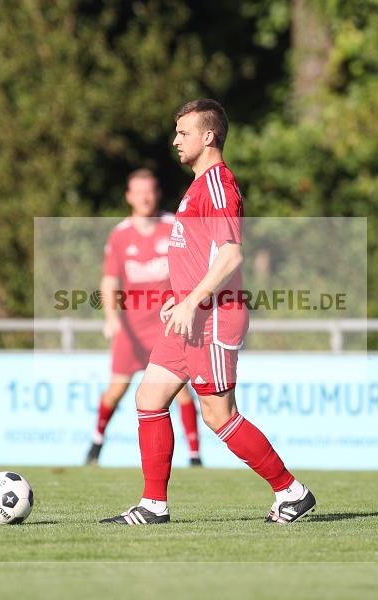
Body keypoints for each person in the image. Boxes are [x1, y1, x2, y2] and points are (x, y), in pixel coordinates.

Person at [101, 99, 315, 525]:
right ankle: (153, 506)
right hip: (189, 317)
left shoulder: (219, 184)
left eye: (184, 133)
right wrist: (178, 297)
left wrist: (192, 299)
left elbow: (231, 255)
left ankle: (292, 492)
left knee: (219, 415)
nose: (175, 141)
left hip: (214, 317)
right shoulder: (198, 187)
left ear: (208, 136)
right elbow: (200, 255)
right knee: (149, 397)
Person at [86, 169, 202, 467]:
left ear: (157, 193)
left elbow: (193, 268)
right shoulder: (120, 234)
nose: (145, 197)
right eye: (139, 192)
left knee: (180, 391)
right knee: (116, 390)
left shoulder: (173, 227)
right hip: (131, 329)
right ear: (129, 197)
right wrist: (111, 318)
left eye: (149, 191)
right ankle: (96, 444)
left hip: (167, 326)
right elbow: (109, 281)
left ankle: (194, 455)